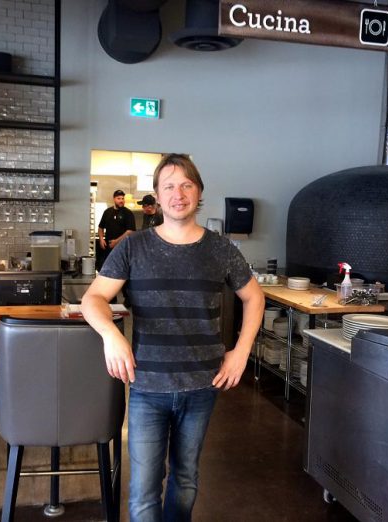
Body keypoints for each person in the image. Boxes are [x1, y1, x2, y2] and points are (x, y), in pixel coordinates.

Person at [82, 154, 264, 522]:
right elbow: (93, 298)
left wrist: (241, 351)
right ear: (157, 196)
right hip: (148, 386)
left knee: (186, 479)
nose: (178, 194)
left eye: (186, 185)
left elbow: (254, 297)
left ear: (198, 193)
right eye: (169, 186)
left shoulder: (221, 249)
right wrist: (110, 334)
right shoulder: (133, 248)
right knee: (145, 491)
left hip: (202, 385)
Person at [97, 189, 136, 270]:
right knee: (108, 268)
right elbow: (101, 227)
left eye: (122, 198)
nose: (121, 200)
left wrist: (116, 242)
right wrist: (101, 239)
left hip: (123, 247)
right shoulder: (107, 212)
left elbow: (130, 231)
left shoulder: (128, 213)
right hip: (108, 247)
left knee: (121, 269)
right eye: (119, 198)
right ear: (114, 199)